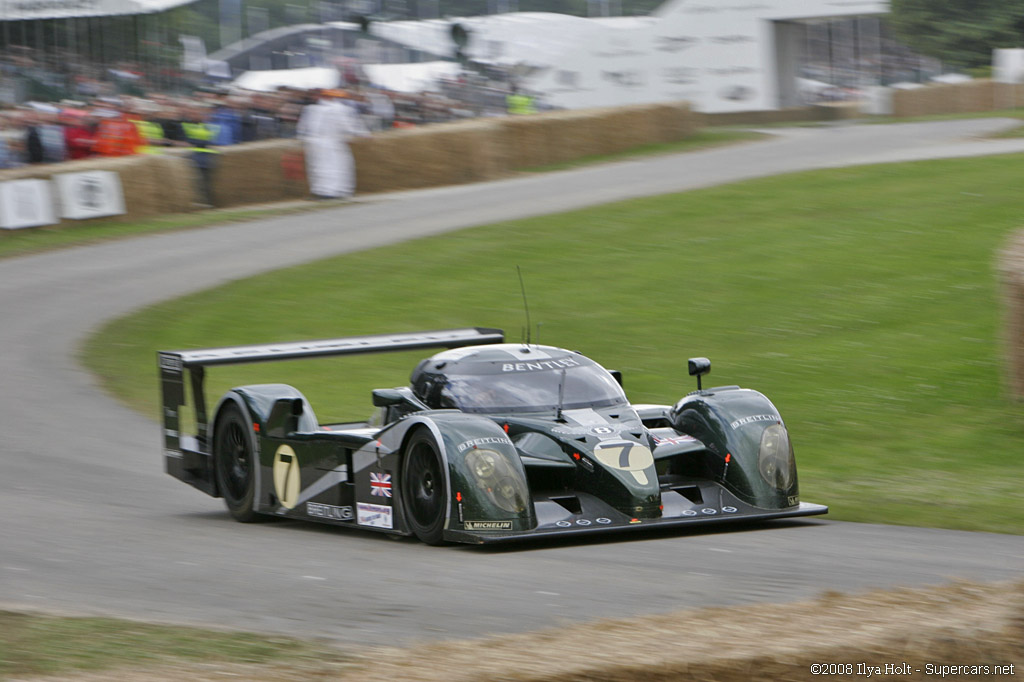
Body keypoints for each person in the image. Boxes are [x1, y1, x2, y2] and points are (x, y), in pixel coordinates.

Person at [296, 89, 369, 200]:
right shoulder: (340, 109)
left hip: (316, 142)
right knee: (334, 167)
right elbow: (348, 125)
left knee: (318, 168)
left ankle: (324, 191)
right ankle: (333, 191)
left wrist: (302, 138)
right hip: (332, 142)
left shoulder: (312, 109)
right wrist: (362, 133)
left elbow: (303, 126)